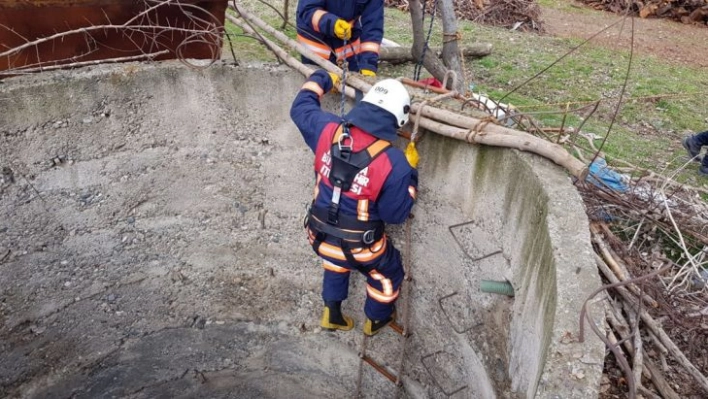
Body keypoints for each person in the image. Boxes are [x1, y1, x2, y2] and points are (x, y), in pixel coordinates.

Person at [290, 70, 418, 336]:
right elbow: (395, 214)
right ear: (399, 119)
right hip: (362, 249)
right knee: (388, 271)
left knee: (336, 257)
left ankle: (332, 311)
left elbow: (300, 107)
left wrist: (323, 78)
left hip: (317, 236)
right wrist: (411, 174)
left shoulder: (328, 130)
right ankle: (376, 319)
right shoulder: (394, 163)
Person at [295, 0, 382, 76]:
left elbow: (373, 26)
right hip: (316, 46)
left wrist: (368, 64)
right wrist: (332, 24)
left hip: (348, 46)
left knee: (351, 85)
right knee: (318, 84)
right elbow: (308, 9)